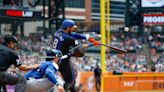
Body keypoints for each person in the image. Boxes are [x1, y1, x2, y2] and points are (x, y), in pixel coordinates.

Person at [53, 19, 99, 92]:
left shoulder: (58, 32)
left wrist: (87, 38)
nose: (73, 29)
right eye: (72, 27)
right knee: (70, 82)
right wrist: (92, 44)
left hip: (55, 60)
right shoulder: (69, 38)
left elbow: (73, 34)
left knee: (71, 85)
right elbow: (80, 48)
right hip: (64, 61)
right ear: (68, 28)